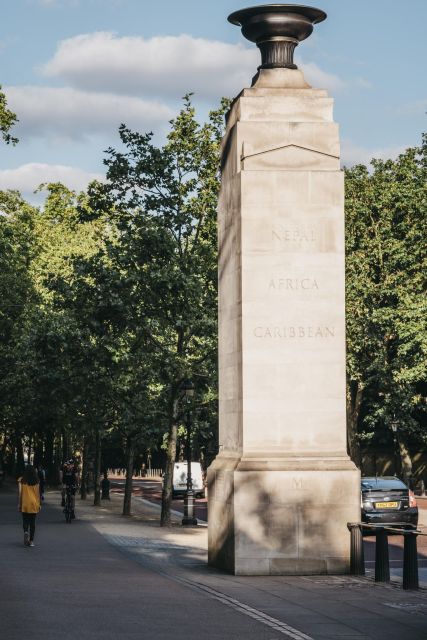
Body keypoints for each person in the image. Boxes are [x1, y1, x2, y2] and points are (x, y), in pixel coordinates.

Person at [18, 465, 41, 547]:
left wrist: (19, 504)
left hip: (25, 503)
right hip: (34, 503)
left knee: (25, 520)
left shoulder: (22, 480)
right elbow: (38, 494)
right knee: (32, 523)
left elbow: (20, 494)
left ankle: (25, 532)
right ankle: (31, 541)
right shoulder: (37, 481)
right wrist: (39, 504)